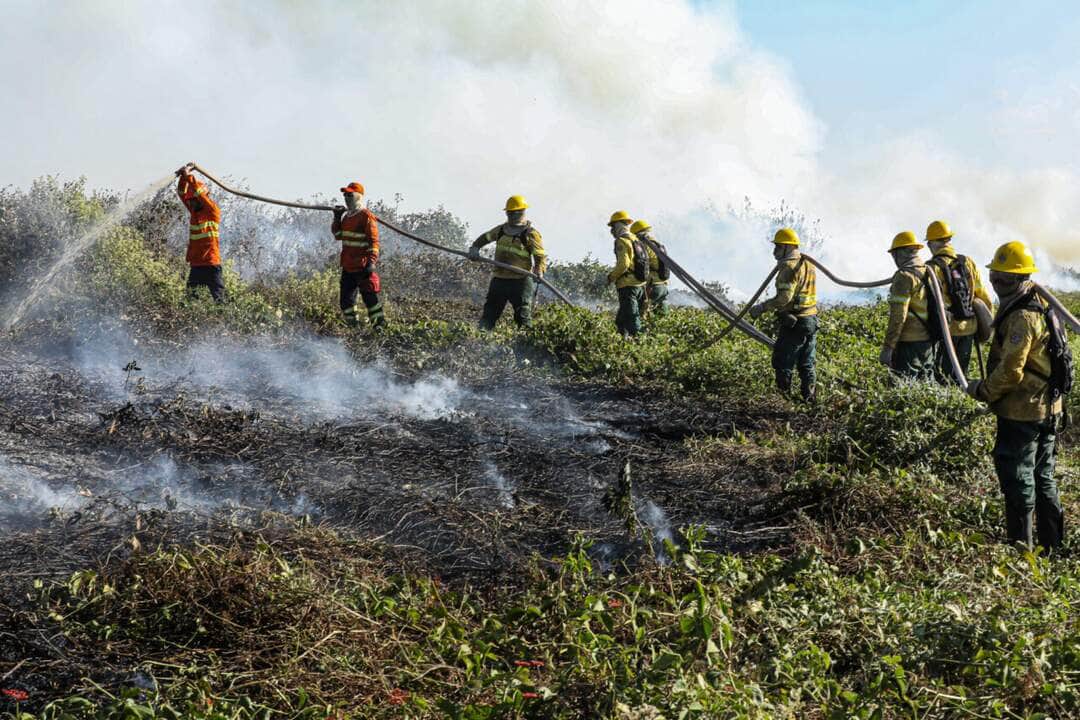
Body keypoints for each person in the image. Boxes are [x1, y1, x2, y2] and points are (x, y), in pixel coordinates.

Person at [966, 241, 1065, 550]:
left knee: (1019, 477)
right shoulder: (1040, 303)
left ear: (1022, 279)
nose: (999, 286)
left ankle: (1022, 549)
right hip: (1048, 407)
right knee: (1043, 475)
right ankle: (1053, 546)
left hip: (1024, 411)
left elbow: (1011, 372)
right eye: (995, 278)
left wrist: (982, 390)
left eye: (1006, 280)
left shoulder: (1023, 317)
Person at [749, 228, 818, 401]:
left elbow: (784, 298)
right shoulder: (808, 264)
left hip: (795, 322)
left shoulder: (788, 267)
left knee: (783, 361)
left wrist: (762, 308)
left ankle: (783, 400)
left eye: (778, 247)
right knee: (806, 362)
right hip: (811, 320)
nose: (774, 252)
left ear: (788, 247)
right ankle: (809, 398)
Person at [925, 220, 993, 381]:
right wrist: (985, 325)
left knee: (943, 378)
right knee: (960, 374)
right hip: (969, 328)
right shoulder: (967, 262)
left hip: (946, 331)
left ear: (932, 243)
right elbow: (982, 296)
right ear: (948, 240)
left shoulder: (930, 268)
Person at [468, 195, 547, 330]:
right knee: (489, 315)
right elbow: (485, 237)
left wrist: (539, 270)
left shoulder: (530, 234)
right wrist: (475, 248)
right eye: (510, 213)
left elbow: (540, 256)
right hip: (500, 280)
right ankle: (480, 343)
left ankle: (527, 347)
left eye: (515, 213)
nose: (512, 216)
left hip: (520, 281)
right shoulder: (501, 230)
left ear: (522, 212)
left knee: (522, 317)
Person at [880, 231, 936, 380]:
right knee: (925, 390)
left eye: (894, 255)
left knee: (904, 386)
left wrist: (888, 348)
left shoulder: (904, 277)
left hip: (909, 344)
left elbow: (898, 316)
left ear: (900, 253)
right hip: (928, 342)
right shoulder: (927, 271)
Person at [332, 181, 385, 329]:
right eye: (345, 195)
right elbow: (338, 235)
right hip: (348, 266)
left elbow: (374, 241)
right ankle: (354, 329)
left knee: (370, 300)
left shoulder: (366, 216)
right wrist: (337, 218)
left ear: (358, 196)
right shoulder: (347, 217)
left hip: (362, 266)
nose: (346, 197)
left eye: (350, 194)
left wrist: (371, 262)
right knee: (346, 302)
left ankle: (380, 328)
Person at [175, 164, 224, 302]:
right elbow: (181, 193)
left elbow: (199, 193)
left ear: (200, 199)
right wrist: (183, 178)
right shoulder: (194, 211)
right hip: (196, 265)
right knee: (189, 300)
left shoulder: (212, 211)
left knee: (219, 300)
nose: (190, 203)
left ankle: (225, 322)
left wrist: (189, 176)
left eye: (193, 201)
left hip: (211, 264)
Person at [606, 211, 647, 337]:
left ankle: (641, 347)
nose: (612, 230)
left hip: (628, 286)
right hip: (640, 285)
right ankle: (622, 346)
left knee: (632, 321)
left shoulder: (622, 241)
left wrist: (611, 277)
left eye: (613, 226)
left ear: (618, 225)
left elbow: (623, 264)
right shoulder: (636, 240)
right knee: (621, 322)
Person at [630, 219, 670, 317]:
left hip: (652, 287)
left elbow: (642, 266)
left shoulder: (643, 246)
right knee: (662, 318)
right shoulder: (658, 245)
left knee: (642, 315)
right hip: (663, 287)